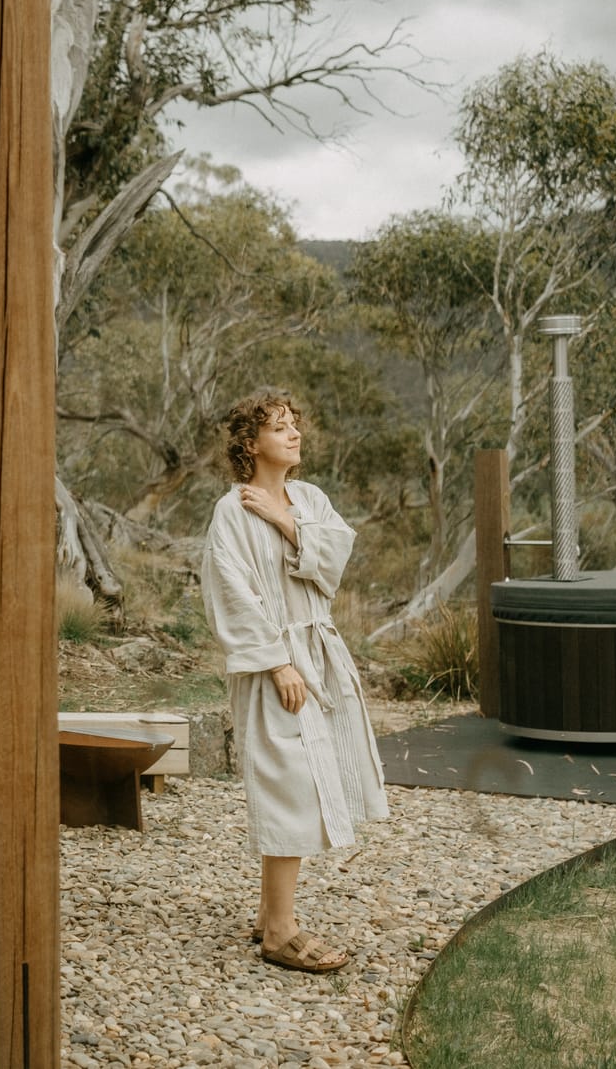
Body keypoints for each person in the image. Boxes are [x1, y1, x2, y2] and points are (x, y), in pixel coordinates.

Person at [201, 389, 387, 973]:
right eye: (279, 428)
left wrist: (284, 519)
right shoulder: (230, 510)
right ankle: (281, 932)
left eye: (294, 426)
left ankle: (268, 915)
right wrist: (278, 661)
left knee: (311, 776)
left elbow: (333, 562)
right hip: (274, 662)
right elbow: (230, 588)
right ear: (250, 444)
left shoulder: (308, 498)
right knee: (292, 781)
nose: (293, 435)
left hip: (321, 652)